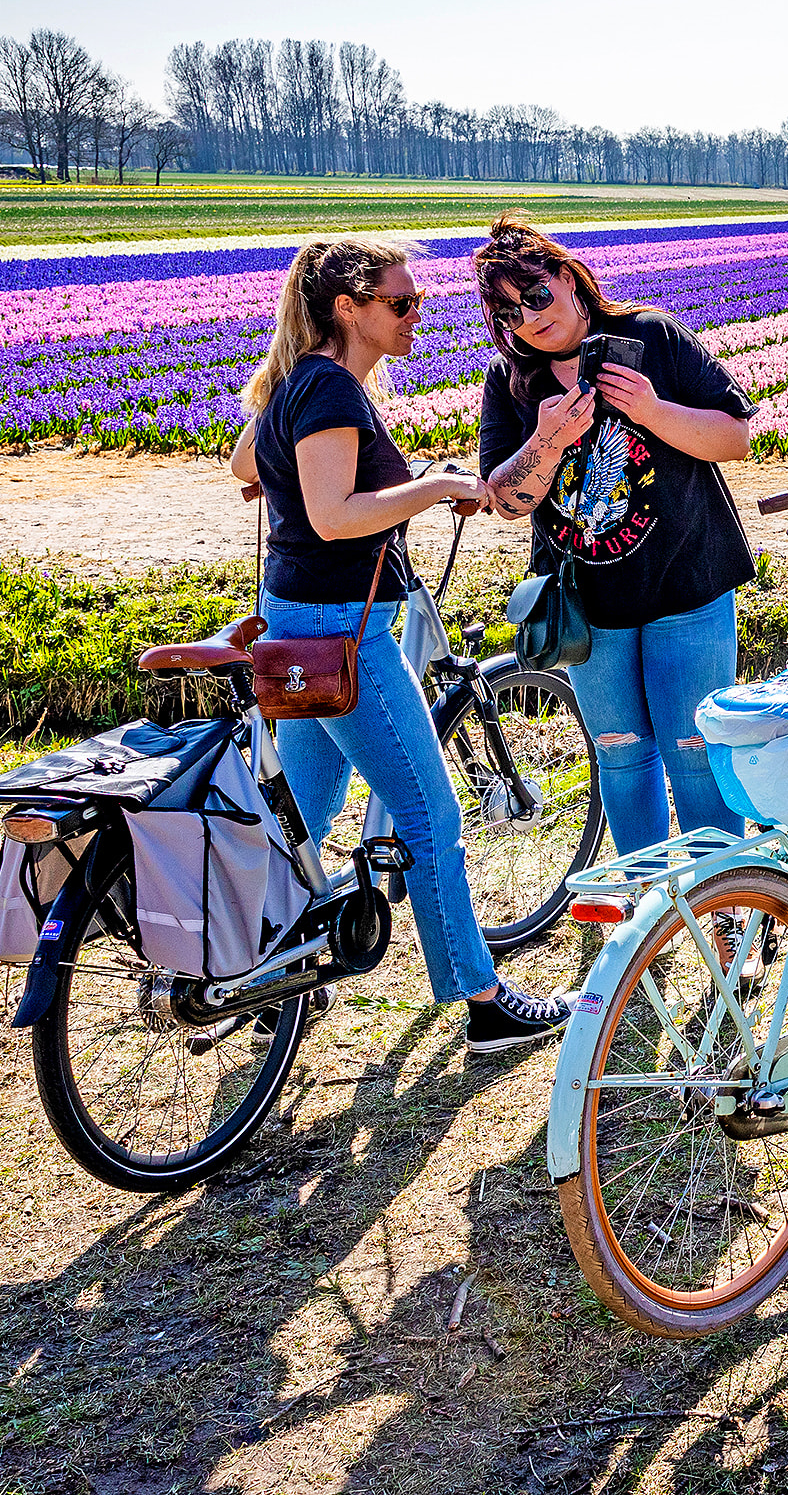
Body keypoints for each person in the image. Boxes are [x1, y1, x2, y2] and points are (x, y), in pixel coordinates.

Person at [228, 237, 571, 1054]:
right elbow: (335, 516)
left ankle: (263, 973)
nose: (418, 313)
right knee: (428, 813)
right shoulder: (327, 391)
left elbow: (244, 460)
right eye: (401, 302)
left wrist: (359, 477)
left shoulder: (297, 381)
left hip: (296, 623)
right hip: (343, 632)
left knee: (302, 816)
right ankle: (483, 1001)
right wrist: (440, 484)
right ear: (349, 307)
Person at [470, 212, 756, 858]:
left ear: (571, 279)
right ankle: (644, 899)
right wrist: (548, 440)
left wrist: (650, 409)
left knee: (694, 752)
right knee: (621, 756)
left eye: (537, 295)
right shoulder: (512, 380)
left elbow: (733, 439)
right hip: (587, 608)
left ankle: (725, 904)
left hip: (687, 586)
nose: (529, 318)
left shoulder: (650, 336)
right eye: (510, 313)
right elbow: (508, 501)